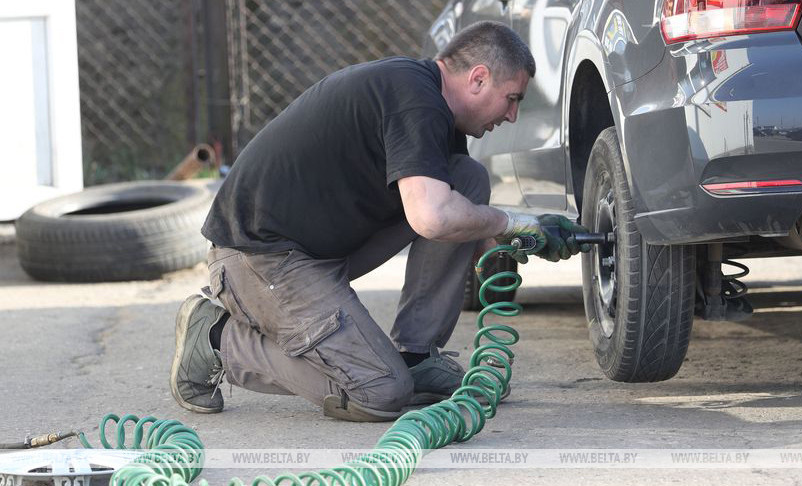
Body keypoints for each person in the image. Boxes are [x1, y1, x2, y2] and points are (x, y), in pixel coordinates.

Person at [169, 21, 588, 422]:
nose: (512, 116)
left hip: (313, 251)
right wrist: (514, 223)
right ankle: (216, 337)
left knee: (465, 180)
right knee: (380, 392)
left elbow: (452, 218)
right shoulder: (415, 99)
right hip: (259, 259)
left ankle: (416, 355)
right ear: (478, 78)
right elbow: (433, 217)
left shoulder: (426, 100)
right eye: (513, 99)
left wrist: (516, 238)